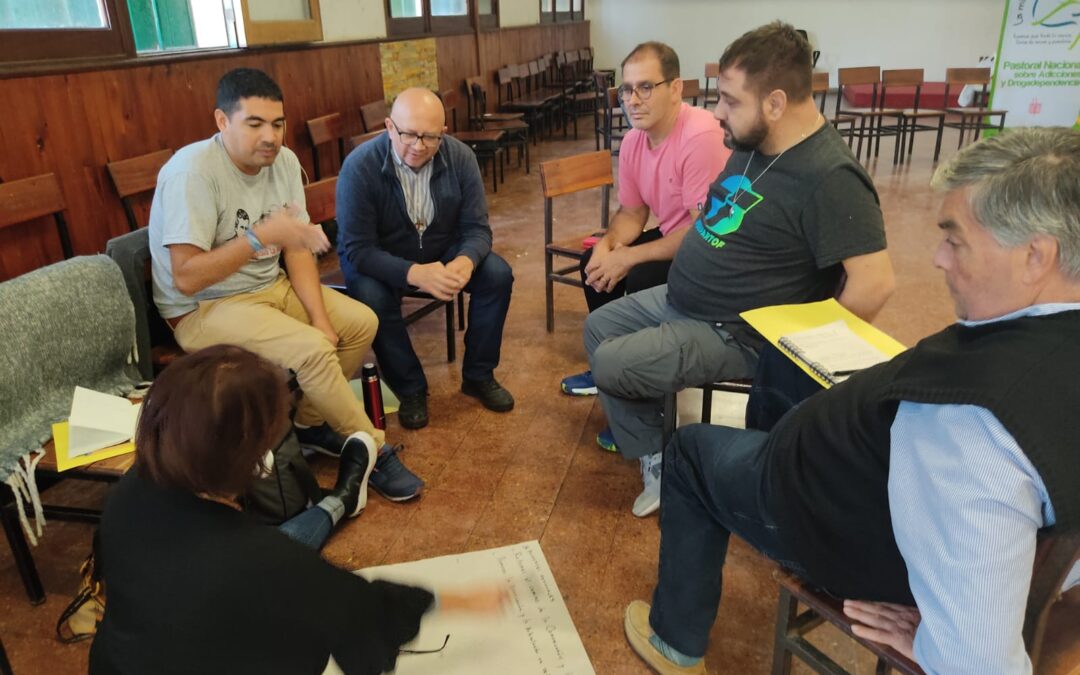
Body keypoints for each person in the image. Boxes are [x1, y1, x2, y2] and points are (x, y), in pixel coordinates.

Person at [624, 126, 1080, 675]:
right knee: (780, 358)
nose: (937, 258)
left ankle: (675, 644)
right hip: (855, 474)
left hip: (828, 522)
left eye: (955, 239)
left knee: (690, 452)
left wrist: (944, 639)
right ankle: (748, 492)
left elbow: (979, 662)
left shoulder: (970, 426)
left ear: (1037, 256)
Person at [584, 23, 895, 516]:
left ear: (774, 102)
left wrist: (793, 359)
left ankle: (667, 457)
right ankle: (655, 449)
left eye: (729, 100)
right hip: (683, 300)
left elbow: (875, 282)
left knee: (611, 364)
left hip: (734, 332)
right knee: (598, 328)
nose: (716, 112)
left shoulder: (830, 178)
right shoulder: (755, 145)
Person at [90, 346, 508, 674]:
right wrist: (464, 600)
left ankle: (339, 501)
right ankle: (341, 500)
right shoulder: (262, 562)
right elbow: (360, 611)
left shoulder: (128, 493)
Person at [148, 67, 422, 502]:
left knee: (359, 323)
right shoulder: (192, 172)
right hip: (204, 307)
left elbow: (296, 250)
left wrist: (318, 316)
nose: (270, 137)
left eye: (277, 123)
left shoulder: (285, 162)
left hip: (267, 287)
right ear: (222, 121)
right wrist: (260, 236)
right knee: (313, 351)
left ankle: (311, 425)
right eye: (254, 124)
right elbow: (185, 277)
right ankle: (373, 446)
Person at [559, 42, 731, 400]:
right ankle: (609, 367)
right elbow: (633, 213)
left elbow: (704, 231)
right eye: (626, 89)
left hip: (713, 254)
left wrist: (630, 257)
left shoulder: (701, 136)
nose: (632, 99)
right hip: (676, 237)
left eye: (646, 87)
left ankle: (645, 385)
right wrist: (609, 246)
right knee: (594, 266)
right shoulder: (635, 141)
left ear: (675, 88)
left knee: (638, 275)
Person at [337, 88, 514, 430]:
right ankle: (410, 388)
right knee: (371, 295)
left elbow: (477, 229)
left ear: (443, 133)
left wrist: (465, 260)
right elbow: (358, 250)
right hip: (380, 259)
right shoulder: (360, 167)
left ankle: (478, 374)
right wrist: (414, 274)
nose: (418, 146)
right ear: (389, 127)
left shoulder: (460, 157)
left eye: (430, 137)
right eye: (408, 134)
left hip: (440, 248)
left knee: (496, 273)